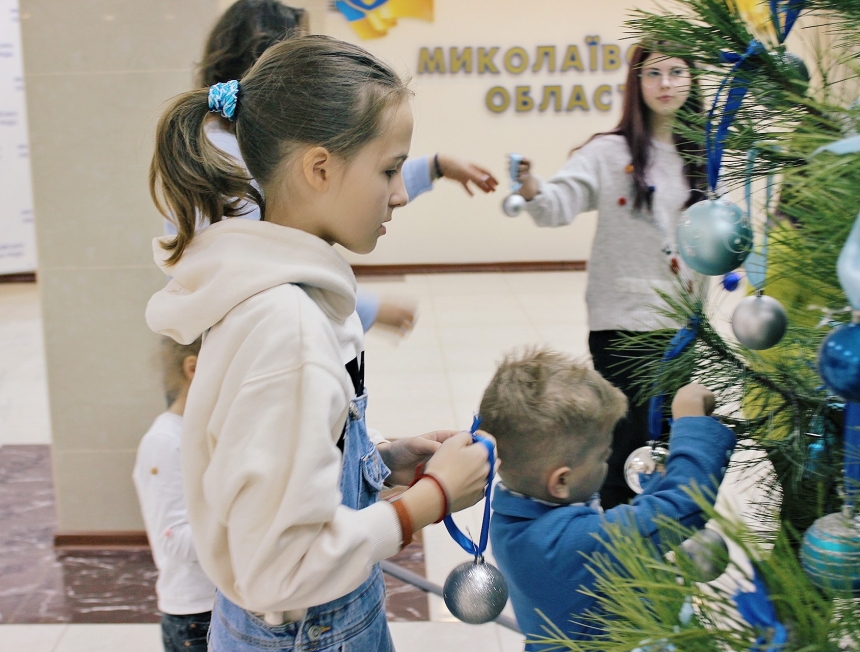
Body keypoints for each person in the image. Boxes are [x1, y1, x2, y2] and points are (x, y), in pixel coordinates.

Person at [145, 36, 496, 651]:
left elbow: (276, 479)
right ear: (319, 168)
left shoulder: (265, 290)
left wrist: (379, 464)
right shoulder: (290, 328)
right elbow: (282, 568)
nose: (401, 192)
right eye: (389, 169)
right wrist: (430, 502)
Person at [182, 0, 498, 335]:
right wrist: (366, 307)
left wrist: (435, 166)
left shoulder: (250, 151)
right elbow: (252, 278)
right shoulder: (285, 325)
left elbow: (356, 178)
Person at [512, 44, 706, 509]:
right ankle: (621, 554)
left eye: (677, 71)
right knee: (625, 445)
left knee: (670, 440)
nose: (665, 83)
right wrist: (534, 189)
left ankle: (660, 542)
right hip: (621, 324)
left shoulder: (706, 157)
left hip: (682, 326)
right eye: (653, 72)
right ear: (636, 83)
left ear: (693, 80)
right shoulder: (609, 151)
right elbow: (560, 201)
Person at [482, 348, 736, 647]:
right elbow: (684, 505)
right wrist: (691, 423)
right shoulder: (563, 545)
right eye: (603, 456)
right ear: (561, 480)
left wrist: (658, 482)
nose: (609, 460)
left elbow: (623, 525)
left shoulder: (516, 516)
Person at [133, 337, 214, 652]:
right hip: (196, 615)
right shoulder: (165, 442)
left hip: (225, 601)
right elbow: (175, 539)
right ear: (193, 368)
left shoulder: (203, 433)